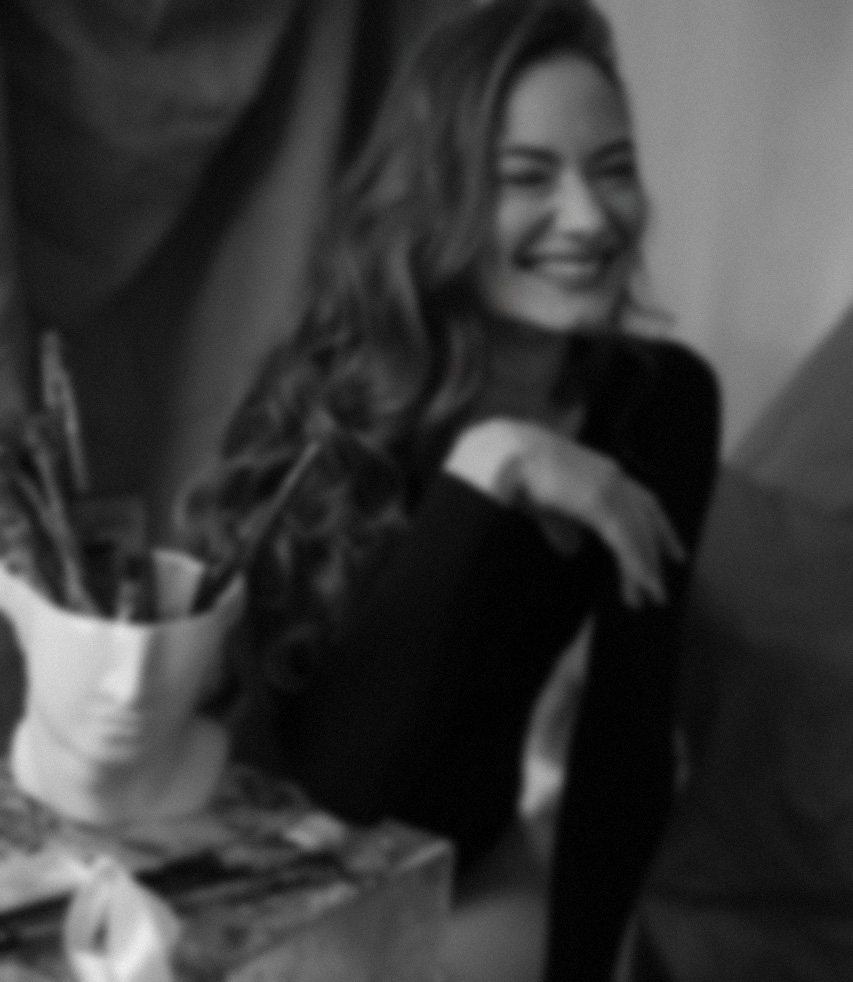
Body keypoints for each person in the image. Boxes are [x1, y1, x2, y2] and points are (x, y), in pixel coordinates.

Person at [180, 2, 720, 978]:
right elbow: (342, 785)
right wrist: (489, 469)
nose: (590, 218)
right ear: (439, 200)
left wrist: (582, 970)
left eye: (612, 169)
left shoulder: (663, 405)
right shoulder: (331, 400)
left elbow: (625, 737)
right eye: (527, 178)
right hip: (273, 876)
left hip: (470, 874)